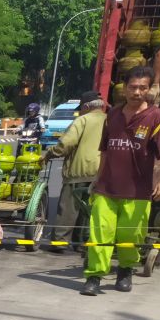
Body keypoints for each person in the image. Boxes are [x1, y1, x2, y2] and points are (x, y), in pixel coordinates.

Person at [81, 66, 160, 296]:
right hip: (107, 188)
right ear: (124, 88)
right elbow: (105, 150)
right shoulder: (112, 115)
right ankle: (94, 276)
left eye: (143, 88)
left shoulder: (158, 118)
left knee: (129, 236)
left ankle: (125, 271)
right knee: (100, 233)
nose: (137, 92)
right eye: (132, 87)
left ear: (150, 89)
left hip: (138, 192)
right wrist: (96, 179)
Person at [41, 90, 106, 251]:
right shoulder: (110, 120)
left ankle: (61, 241)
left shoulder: (82, 120)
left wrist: (49, 154)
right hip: (101, 173)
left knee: (68, 208)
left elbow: (66, 144)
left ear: (86, 107)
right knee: (89, 210)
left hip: (79, 170)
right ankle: (83, 243)